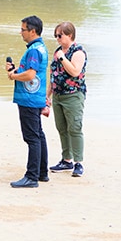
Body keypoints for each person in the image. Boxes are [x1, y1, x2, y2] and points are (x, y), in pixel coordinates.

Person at [5, 15, 49, 188]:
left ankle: (32, 176)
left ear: (32, 31)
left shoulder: (34, 50)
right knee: (38, 135)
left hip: (29, 99)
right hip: (35, 97)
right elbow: (32, 72)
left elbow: (30, 74)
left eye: (23, 29)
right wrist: (16, 70)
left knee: (32, 137)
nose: (20, 32)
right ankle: (42, 172)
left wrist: (13, 75)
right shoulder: (41, 47)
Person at [47, 21, 87, 177]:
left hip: (73, 95)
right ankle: (66, 160)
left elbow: (75, 72)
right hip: (58, 95)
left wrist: (63, 58)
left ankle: (78, 162)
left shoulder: (78, 52)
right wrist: (47, 96)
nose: (57, 38)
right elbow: (53, 75)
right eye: (55, 35)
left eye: (60, 35)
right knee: (61, 128)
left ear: (69, 35)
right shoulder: (58, 51)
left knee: (75, 128)